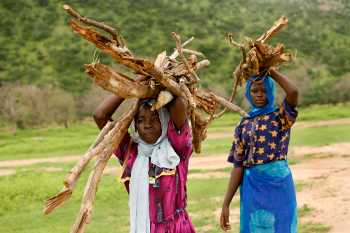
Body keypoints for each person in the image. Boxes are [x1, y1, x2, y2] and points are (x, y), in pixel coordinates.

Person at [94, 93, 196, 233]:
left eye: (155, 118)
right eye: (141, 120)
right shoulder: (129, 151)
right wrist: (132, 87)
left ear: (165, 120)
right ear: (135, 124)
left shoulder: (176, 147)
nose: (147, 124)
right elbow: (100, 116)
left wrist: (158, 84)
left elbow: (177, 103)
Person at [220, 68, 299, 233]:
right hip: (252, 188)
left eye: (264, 90)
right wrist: (226, 203)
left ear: (271, 91)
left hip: (279, 186)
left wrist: (272, 72)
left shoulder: (281, 117)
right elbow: (238, 165)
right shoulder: (243, 123)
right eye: (254, 90)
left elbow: (293, 92)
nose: (259, 94)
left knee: (281, 227)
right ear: (248, 93)